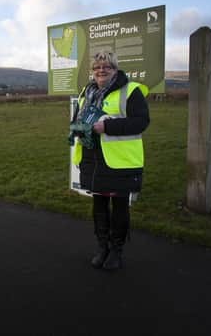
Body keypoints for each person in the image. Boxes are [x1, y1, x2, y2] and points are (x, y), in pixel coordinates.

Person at [71, 52, 149, 271]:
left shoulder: (130, 90)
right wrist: (76, 128)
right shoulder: (86, 91)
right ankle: (102, 247)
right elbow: (77, 117)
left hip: (120, 160)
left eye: (106, 66)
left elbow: (141, 122)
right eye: (97, 67)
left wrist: (107, 127)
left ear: (115, 69)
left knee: (120, 206)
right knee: (99, 205)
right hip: (92, 156)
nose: (101, 70)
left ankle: (116, 250)